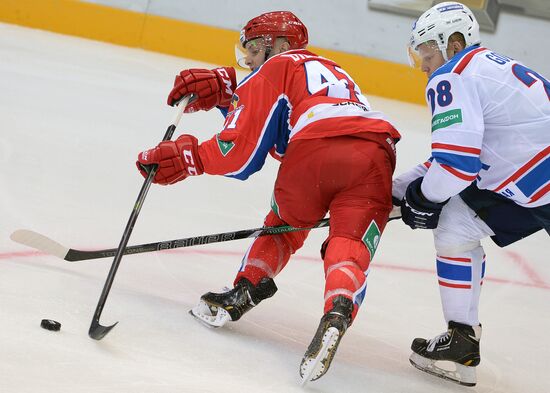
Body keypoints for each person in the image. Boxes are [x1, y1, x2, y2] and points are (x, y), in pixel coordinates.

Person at [136, 11, 401, 383]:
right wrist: (228, 94)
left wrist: (188, 156)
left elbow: (240, 155)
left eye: (253, 52)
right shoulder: (333, 69)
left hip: (313, 154)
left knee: (285, 226)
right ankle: (337, 312)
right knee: (349, 242)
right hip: (376, 154)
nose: (248, 62)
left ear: (276, 46)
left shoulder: (275, 67)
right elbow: (281, 129)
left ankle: (246, 288)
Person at [394, 1, 550, 387]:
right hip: (527, 179)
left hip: (534, 178)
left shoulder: (453, 76)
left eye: (427, 55)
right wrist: (395, 193)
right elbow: (452, 161)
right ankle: (461, 342)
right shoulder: (481, 67)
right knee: (454, 229)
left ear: (455, 42)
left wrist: (422, 199)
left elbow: (455, 167)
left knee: (449, 218)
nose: (424, 66)